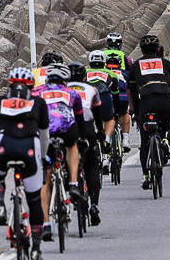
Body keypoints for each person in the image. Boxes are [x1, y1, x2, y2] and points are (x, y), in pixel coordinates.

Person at [0, 67, 50, 260]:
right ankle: (37, 247)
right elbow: (44, 135)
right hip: (30, 148)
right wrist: (44, 157)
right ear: (32, 85)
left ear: (9, 84)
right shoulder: (38, 102)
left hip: (3, 146)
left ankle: (0, 204)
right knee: (34, 200)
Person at [31, 61, 84, 242]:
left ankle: (45, 225)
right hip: (66, 129)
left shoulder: (36, 92)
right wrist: (84, 137)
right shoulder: (72, 93)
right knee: (72, 145)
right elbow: (79, 118)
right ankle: (74, 183)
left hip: (44, 131)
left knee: (44, 180)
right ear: (65, 79)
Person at [126, 34, 170, 190]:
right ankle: (164, 140)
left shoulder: (136, 65)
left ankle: (145, 177)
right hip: (164, 100)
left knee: (144, 142)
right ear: (158, 49)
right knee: (167, 122)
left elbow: (130, 90)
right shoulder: (165, 63)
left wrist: (133, 110)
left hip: (146, 101)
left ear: (142, 51)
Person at [67, 60, 113, 225]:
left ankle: (71, 186)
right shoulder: (91, 89)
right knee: (92, 166)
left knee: (68, 163)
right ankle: (94, 204)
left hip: (69, 128)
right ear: (85, 78)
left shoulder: (64, 90)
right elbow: (98, 113)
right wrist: (100, 132)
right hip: (87, 128)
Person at [85, 50, 119, 168]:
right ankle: (107, 140)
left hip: (89, 99)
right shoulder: (111, 74)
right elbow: (115, 95)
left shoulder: (84, 73)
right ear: (104, 62)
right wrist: (117, 112)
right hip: (104, 98)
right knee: (109, 119)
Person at [103, 34, 132, 151]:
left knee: (105, 117)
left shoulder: (102, 55)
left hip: (105, 93)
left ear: (107, 44)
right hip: (121, 94)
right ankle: (125, 139)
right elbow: (131, 73)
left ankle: (105, 137)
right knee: (124, 113)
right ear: (121, 45)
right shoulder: (125, 57)